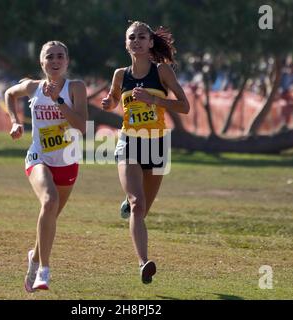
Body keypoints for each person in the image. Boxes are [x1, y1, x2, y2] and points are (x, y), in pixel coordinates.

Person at [101, 21, 190, 284]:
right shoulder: (120, 74)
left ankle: (128, 205)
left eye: (142, 37)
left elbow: (184, 106)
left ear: (151, 43)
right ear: (126, 44)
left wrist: (155, 100)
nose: (137, 41)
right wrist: (109, 103)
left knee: (142, 209)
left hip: (158, 144)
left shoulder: (162, 71)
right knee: (138, 205)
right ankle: (143, 263)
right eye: (132, 37)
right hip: (129, 141)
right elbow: (113, 99)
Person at [5, 41, 87, 292]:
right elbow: (10, 93)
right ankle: (44, 271)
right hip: (38, 157)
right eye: (49, 56)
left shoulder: (76, 88)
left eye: (60, 56)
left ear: (67, 61)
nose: (55, 60)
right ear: (42, 63)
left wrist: (59, 101)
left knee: (50, 217)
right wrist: (15, 122)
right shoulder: (33, 87)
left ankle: (34, 259)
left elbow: (81, 127)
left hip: (67, 161)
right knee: (49, 202)